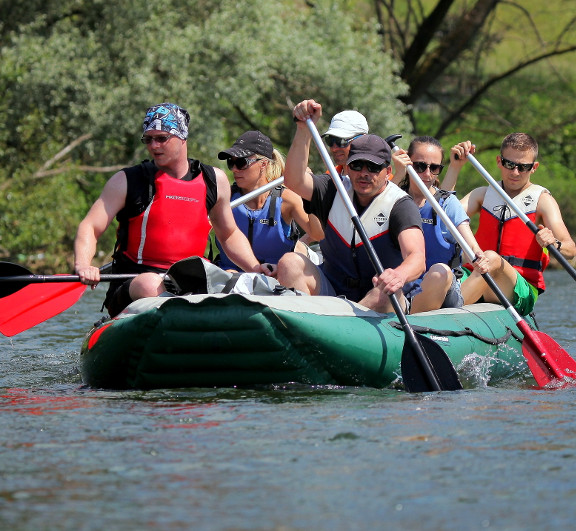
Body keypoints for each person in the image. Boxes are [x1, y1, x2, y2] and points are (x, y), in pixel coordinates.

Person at [74, 102, 271, 317]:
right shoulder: (128, 180)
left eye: (161, 138)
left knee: (233, 277)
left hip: (189, 281)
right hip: (135, 285)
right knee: (151, 284)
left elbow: (229, 234)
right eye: (148, 139)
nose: (154, 146)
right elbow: (90, 227)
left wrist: (255, 268)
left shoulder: (214, 180)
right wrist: (84, 265)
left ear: (182, 137)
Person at [275, 99, 426, 313]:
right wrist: (303, 128)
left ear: (388, 172)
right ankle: (309, 332)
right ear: (348, 166)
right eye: (357, 165)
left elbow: (417, 257)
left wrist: (399, 275)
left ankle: (335, 331)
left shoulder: (400, 204)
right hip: (333, 289)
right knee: (290, 262)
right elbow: (294, 180)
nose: (364, 173)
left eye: (373, 167)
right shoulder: (332, 187)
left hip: (378, 294)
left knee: (385, 294)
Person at [456, 132, 576, 315]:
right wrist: (455, 167)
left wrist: (554, 243)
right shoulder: (482, 194)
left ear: (534, 167)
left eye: (523, 167)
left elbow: (570, 249)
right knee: (442, 274)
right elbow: (443, 215)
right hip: (478, 276)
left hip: (518, 288)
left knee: (492, 259)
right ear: (499, 161)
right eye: (509, 164)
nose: (515, 172)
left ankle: (449, 308)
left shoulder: (543, 201)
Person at [392, 136, 490, 313]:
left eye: (434, 168)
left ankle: (412, 324)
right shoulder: (392, 197)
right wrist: (398, 173)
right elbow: (375, 212)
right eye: (420, 166)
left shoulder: (447, 203)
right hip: (400, 286)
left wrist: (478, 256)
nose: (427, 174)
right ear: (408, 162)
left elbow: (471, 245)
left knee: (440, 272)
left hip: (442, 288)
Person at [215, 130, 324, 271]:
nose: (234, 169)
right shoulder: (223, 199)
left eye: (241, 163)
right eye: (231, 163)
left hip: (275, 280)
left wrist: (310, 194)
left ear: (263, 164)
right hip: (230, 279)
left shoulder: (288, 199)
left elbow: (317, 234)